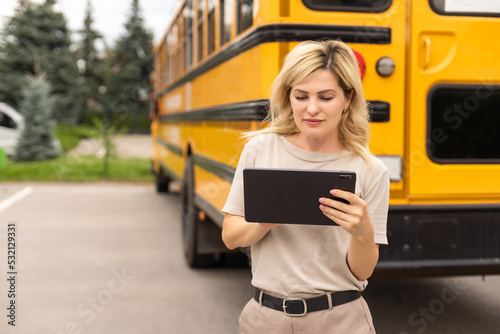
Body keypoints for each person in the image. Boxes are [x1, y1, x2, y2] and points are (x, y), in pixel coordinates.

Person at [221, 40, 390, 334]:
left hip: (340, 320)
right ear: (289, 97)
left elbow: (363, 271)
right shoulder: (259, 150)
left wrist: (363, 232)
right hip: (265, 318)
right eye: (301, 96)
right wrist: (263, 221)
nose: (312, 109)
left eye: (326, 97)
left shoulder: (371, 170)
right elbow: (231, 237)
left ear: (348, 99)